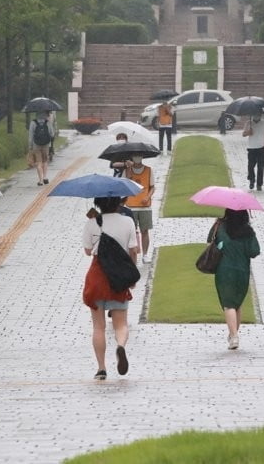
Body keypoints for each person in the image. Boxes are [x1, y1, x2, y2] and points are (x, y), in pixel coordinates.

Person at [82, 196, 139, 380]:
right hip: (119, 276)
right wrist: (132, 276)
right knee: (120, 324)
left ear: (98, 202)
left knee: (98, 327)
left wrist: (95, 225)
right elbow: (133, 250)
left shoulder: (92, 222)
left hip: (98, 276)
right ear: (118, 202)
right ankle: (121, 345)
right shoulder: (128, 221)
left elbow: (88, 251)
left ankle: (101, 368)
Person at [211, 209, 261, 350]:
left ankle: (234, 336)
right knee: (237, 304)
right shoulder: (248, 232)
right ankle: (233, 334)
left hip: (225, 271)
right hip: (242, 272)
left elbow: (211, 240)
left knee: (228, 305)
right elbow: (254, 251)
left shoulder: (221, 227)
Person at [124, 155, 155, 263]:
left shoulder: (149, 170)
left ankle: (145, 255)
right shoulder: (127, 170)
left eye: (139, 156)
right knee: (131, 232)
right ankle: (132, 254)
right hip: (130, 206)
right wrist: (128, 168)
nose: (137, 158)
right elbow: (125, 182)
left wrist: (148, 197)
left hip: (145, 207)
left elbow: (152, 187)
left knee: (144, 231)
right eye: (135, 156)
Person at [242, 113, 264, 191]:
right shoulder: (248, 123)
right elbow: (243, 134)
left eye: (258, 114)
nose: (257, 115)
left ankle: (259, 184)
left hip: (261, 147)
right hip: (251, 147)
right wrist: (249, 132)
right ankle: (252, 179)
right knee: (250, 166)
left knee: (260, 167)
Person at [29, 111, 55, 186]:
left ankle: (40, 181)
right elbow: (52, 134)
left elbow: (30, 136)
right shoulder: (48, 122)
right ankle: (45, 177)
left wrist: (30, 146)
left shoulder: (33, 123)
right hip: (46, 144)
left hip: (36, 145)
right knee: (45, 161)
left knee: (38, 162)